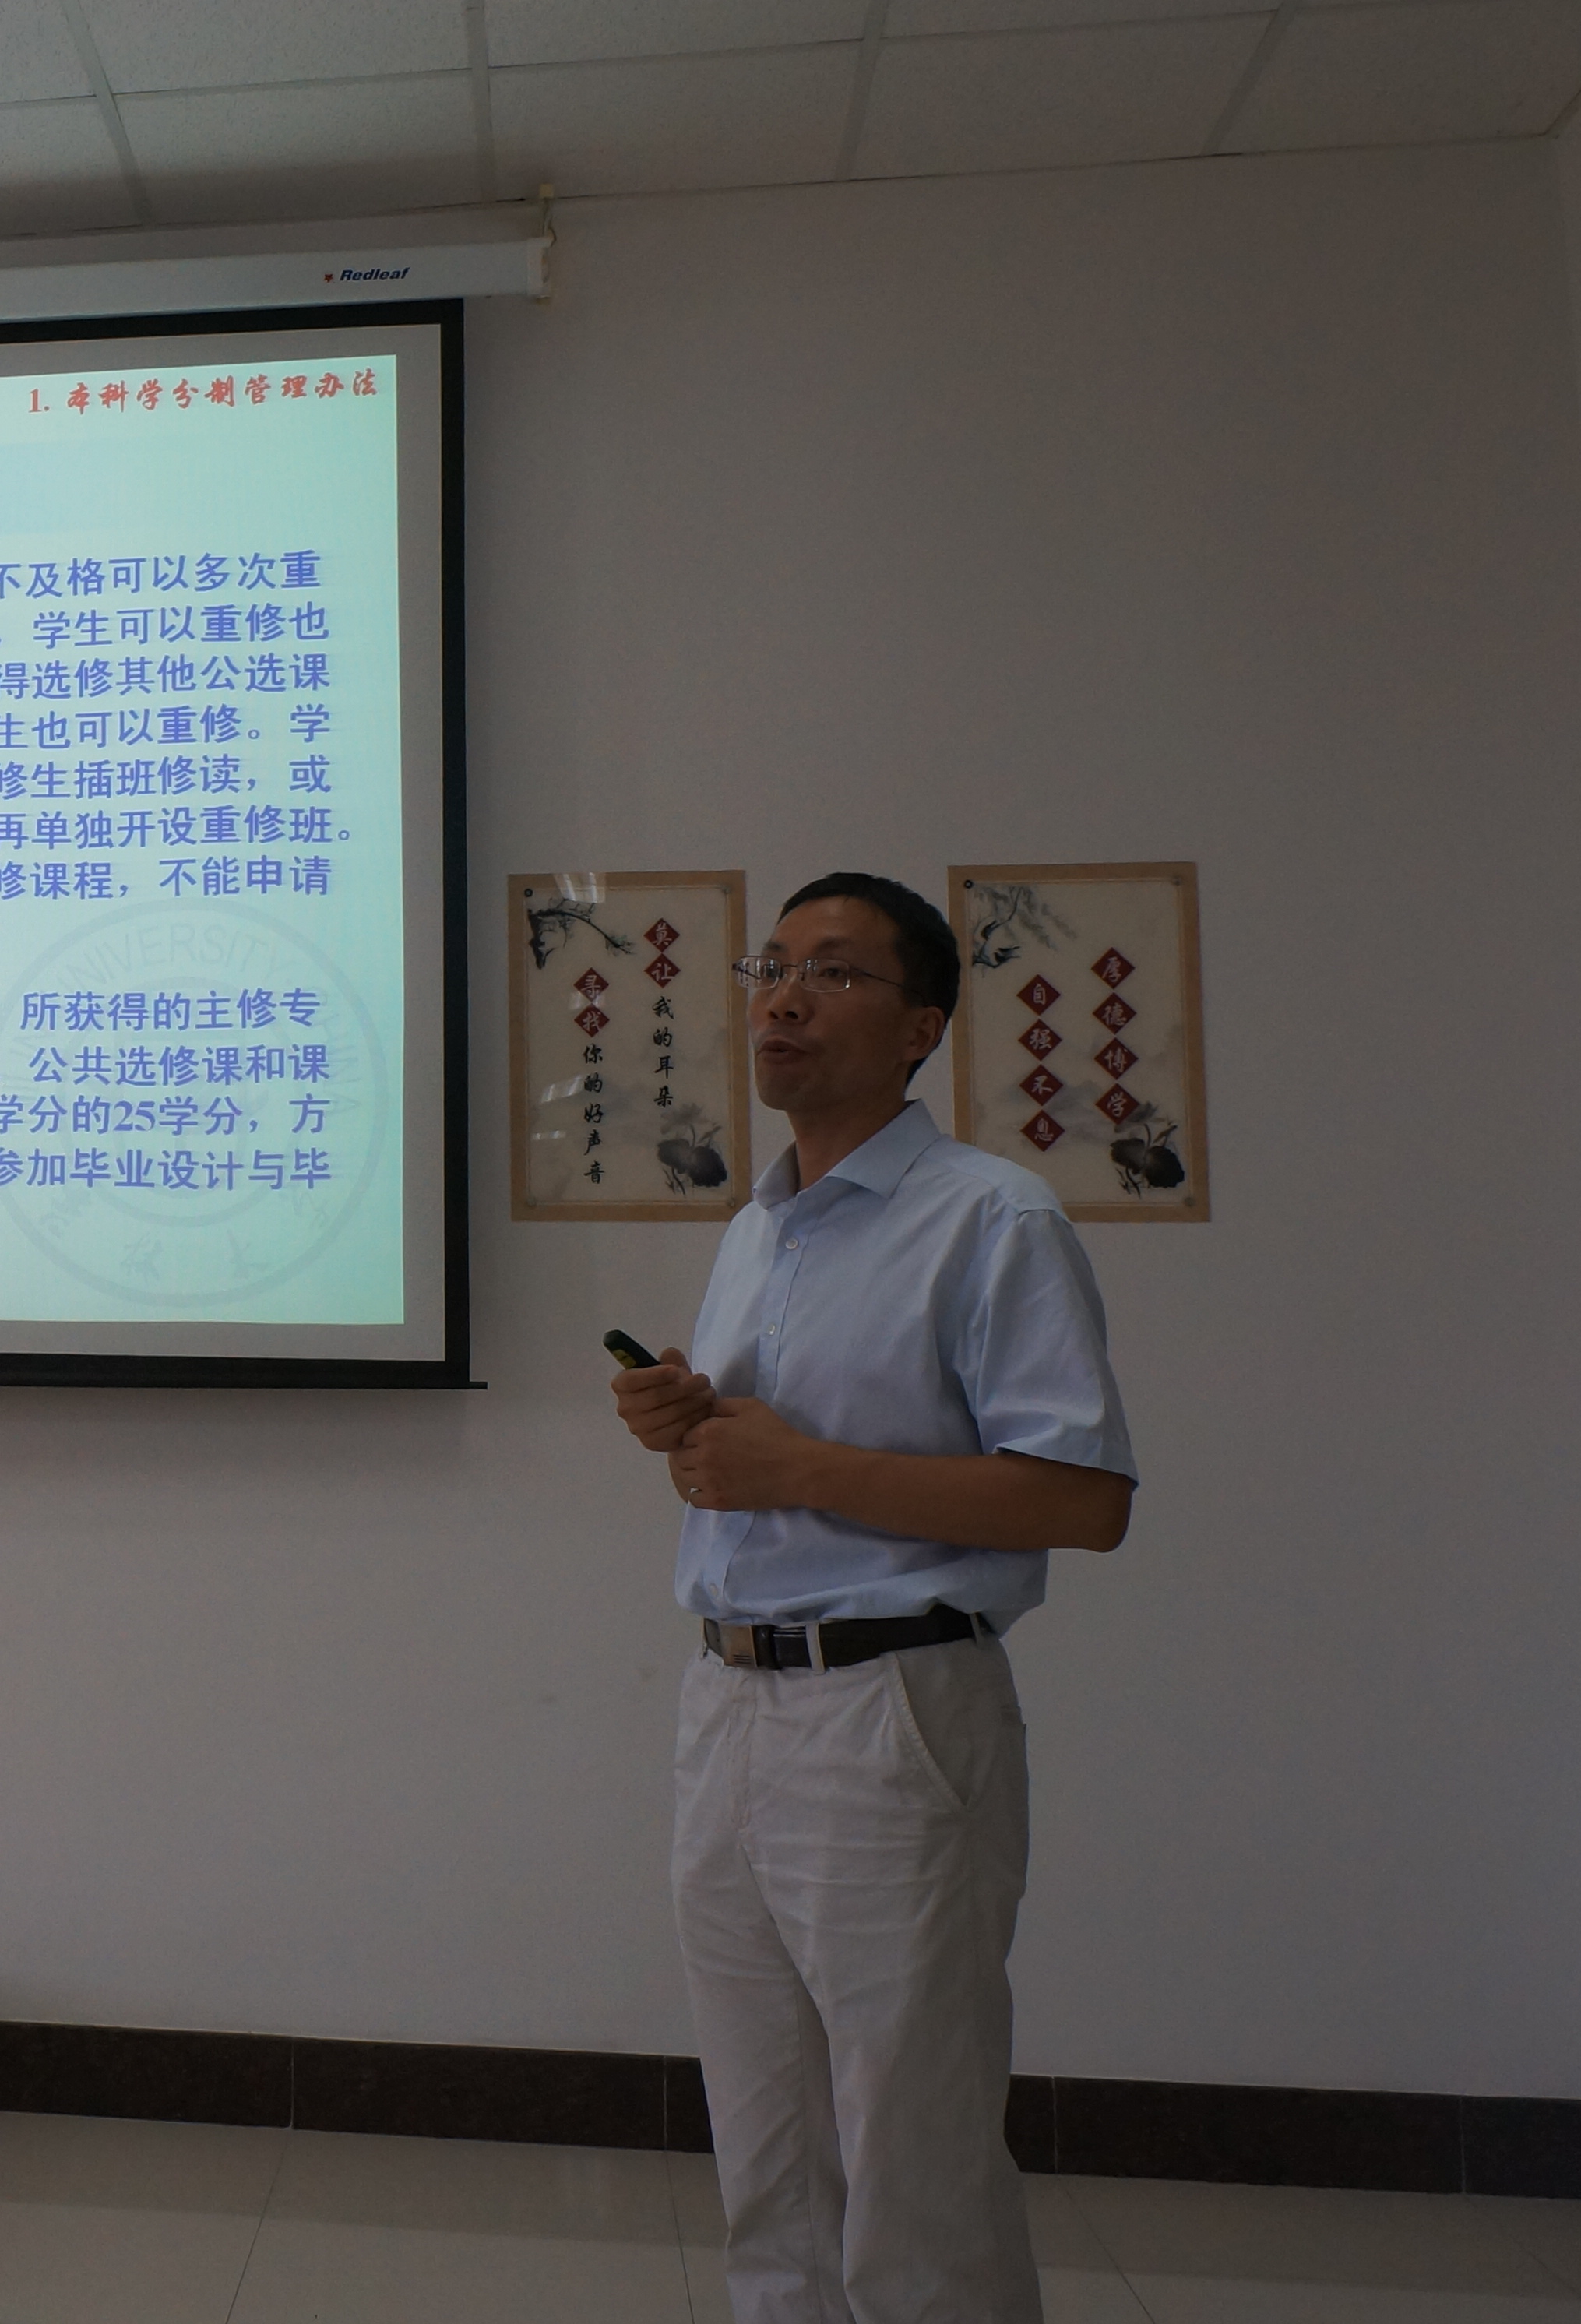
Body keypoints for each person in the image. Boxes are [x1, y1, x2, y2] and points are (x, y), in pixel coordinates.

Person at [610, 872, 1136, 2324]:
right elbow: (754, 1474)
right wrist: (690, 1437)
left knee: (914, 2157)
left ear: (921, 1027)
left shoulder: (993, 1219)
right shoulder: (758, 1228)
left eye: (833, 973)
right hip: (729, 1702)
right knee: (769, 2153)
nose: (782, 999)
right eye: (769, 968)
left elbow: (1083, 1501)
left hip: (892, 1708)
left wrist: (804, 1466)